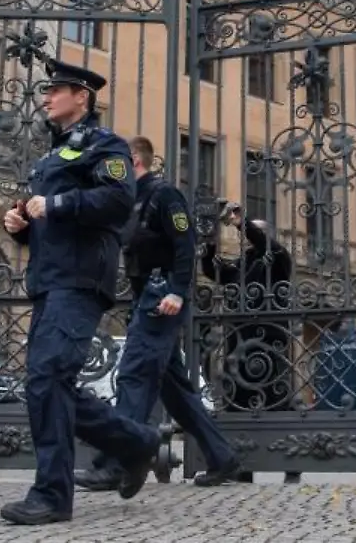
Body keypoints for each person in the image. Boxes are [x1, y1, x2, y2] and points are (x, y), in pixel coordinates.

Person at [0, 60, 162, 527]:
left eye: (56, 91)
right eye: (46, 91)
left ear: (81, 97)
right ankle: (136, 442)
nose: (46, 98)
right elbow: (48, 225)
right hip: (50, 280)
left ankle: (52, 494)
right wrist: (21, 226)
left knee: (47, 381)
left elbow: (115, 201)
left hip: (81, 280)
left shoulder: (104, 145)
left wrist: (56, 203)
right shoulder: (50, 157)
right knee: (48, 385)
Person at [74, 135, 240, 493]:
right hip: (145, 298)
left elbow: (186, 244)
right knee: (176, 391)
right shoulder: (129, 198)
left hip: (161, 298)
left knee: (134, 375)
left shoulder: (164, 195)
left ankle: (117, 463)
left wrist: (178, 292)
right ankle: (222, 457)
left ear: (134, 159)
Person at [200, 204, 299, 483]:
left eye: (252, 232)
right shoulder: (244, 263)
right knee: (238, 402)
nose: (246, 237)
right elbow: (214, 272)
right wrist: (210, 245)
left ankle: (294, 460)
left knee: (277, 400)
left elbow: (267, 245)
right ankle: (241, 465)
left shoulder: (280, 259)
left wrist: (243, 223)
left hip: (269, 340)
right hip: (240, 341)